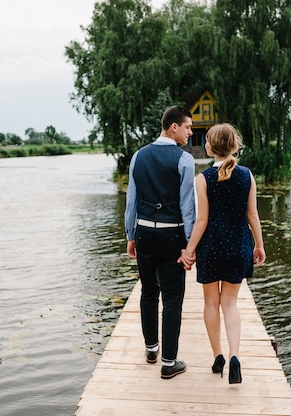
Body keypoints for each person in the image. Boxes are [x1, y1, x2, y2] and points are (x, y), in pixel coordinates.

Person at [178, 123, 265, 384]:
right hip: (238, 246)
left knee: (210, 303)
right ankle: (235, 356)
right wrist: (259, 246)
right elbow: (252, 214)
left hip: (212, 247)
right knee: (230, 304)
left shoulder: (203, 179)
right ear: (234, 145)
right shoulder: (247, 175)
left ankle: (218, 356)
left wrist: (188, 251)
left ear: (210, 147)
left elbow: (201, 221)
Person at [124, 105, 196, 379]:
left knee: (148, 292)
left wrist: (130, 235)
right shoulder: (184, 160)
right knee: (173, 298)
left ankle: (151, 349)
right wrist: (189, 247)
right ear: (174, 126)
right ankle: (169, 362)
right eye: (188, 127)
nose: (191, 132)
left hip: (144, 233)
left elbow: (131, 201)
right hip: (171, 234)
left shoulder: (138, 156)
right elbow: (187, 207)